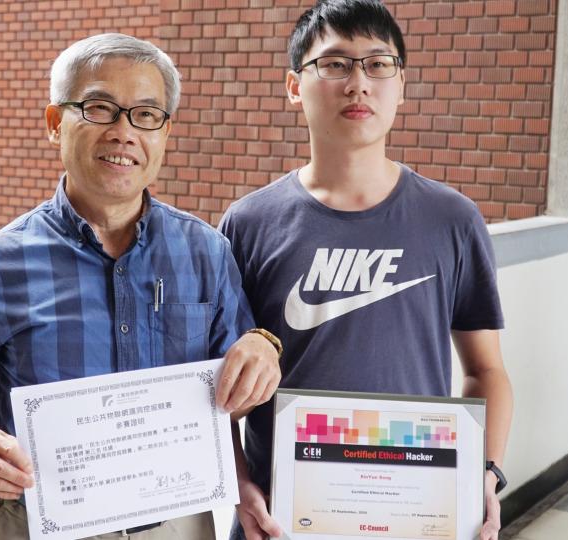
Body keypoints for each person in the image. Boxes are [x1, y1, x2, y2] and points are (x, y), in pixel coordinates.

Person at [0, 33, 282, 540]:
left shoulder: (207, 252)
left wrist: (262, 352)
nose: (123, 132)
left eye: (146, 115)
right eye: (100, 108)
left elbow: (229, 398)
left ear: (165, 132)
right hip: (41, 525)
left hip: (178, 523)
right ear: (55, 123)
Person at [217, 2, 513, 540]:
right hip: (281, 519)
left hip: (415, 516)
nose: (358, 83)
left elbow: (485, 370)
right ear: (294, 86)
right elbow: (216, 388)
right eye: (335, 64)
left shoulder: (453, 219)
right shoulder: (248, 223)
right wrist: (237, 484)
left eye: (378, 64)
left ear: (401, 85)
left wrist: (485, 474)